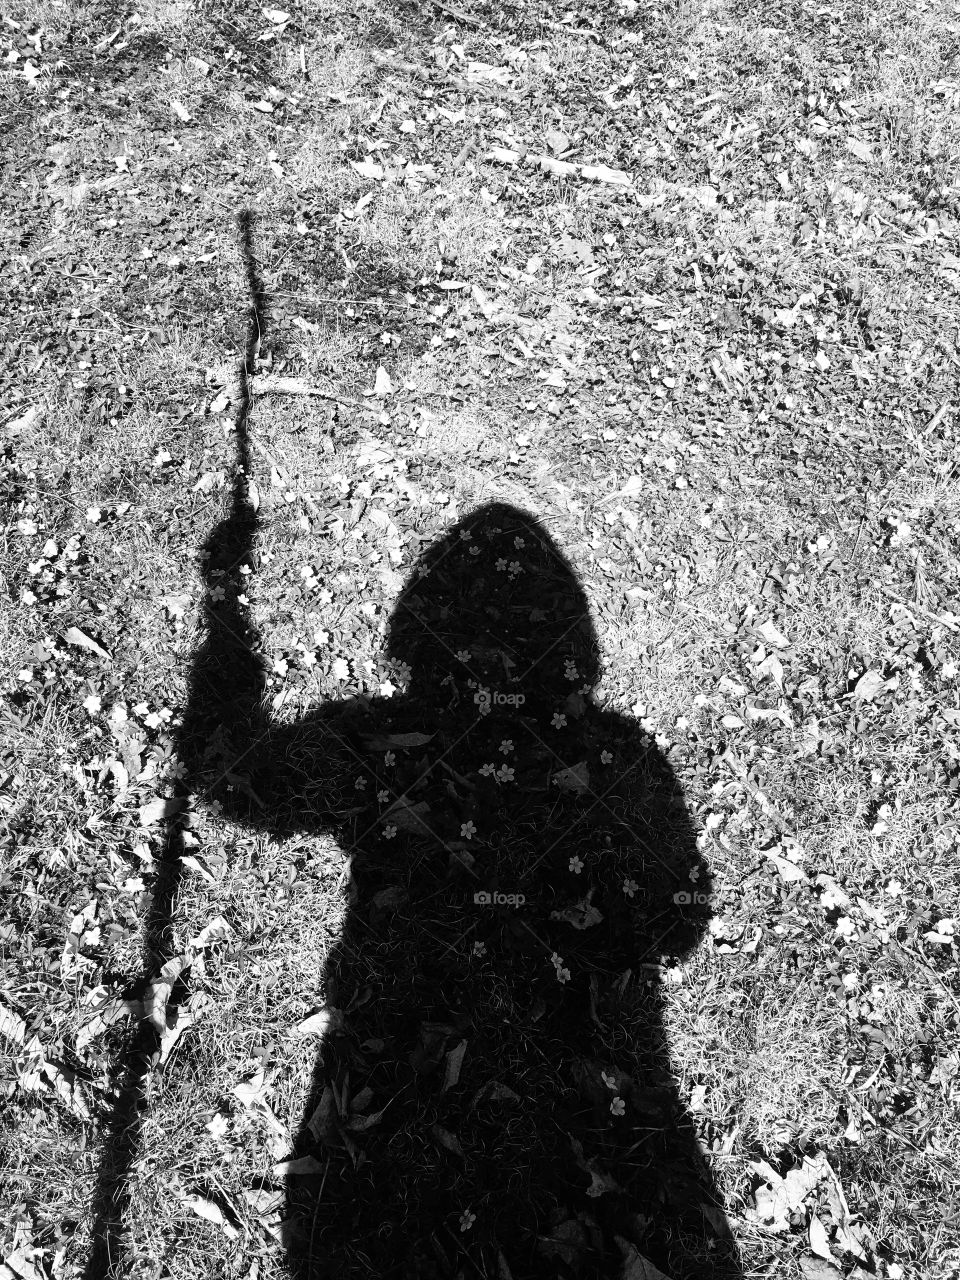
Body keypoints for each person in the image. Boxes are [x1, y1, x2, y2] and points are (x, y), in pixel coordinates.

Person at [190, 480, 742, 1280]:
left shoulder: (385, 738)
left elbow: (244, 785)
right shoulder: (623, 755)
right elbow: (681, 924)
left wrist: (223, 612)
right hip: (601, 1106)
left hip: (389, 1100)